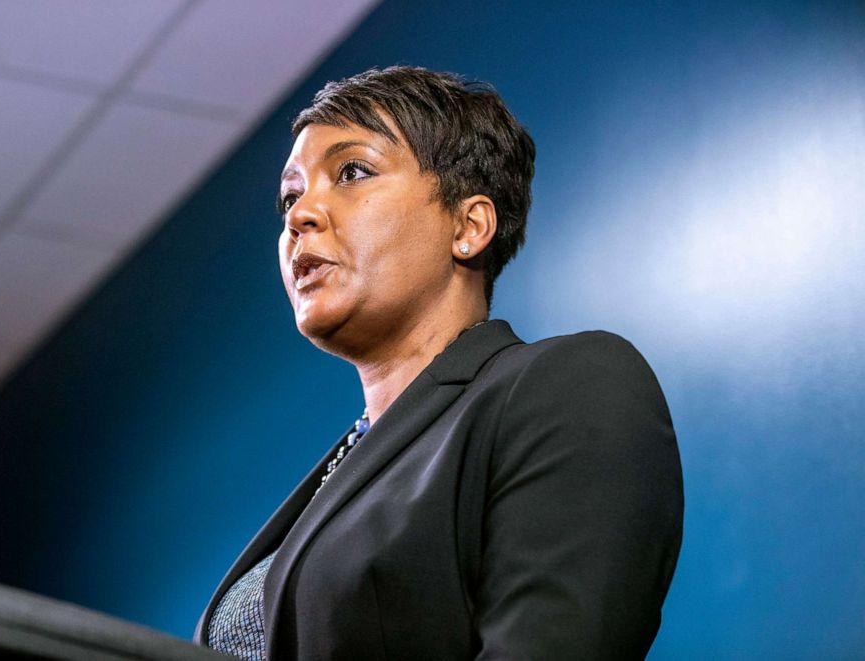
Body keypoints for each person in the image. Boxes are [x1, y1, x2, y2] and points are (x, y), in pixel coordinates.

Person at [195, 66, 683, 660]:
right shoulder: (350, 463)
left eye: (352, 172)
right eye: (290, 195)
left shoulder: (570, 384)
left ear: (469, 226)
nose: (299, 216)